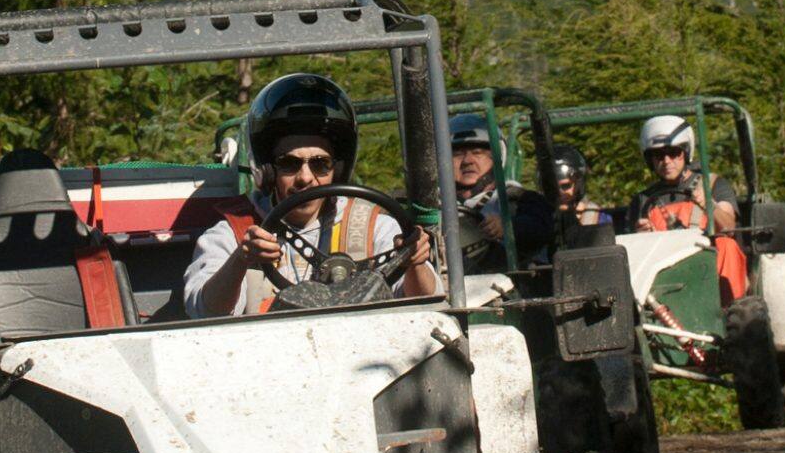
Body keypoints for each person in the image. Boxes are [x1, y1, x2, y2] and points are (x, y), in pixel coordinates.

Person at [184, 73, 438, 317]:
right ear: (268, 171)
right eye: (289, 163)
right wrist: (241, 259)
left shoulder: (376, 227)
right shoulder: (235, 233)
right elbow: (204, 311)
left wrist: (413, 261)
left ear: (337, 169)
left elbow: (426, 302)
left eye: (320, 164)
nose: (305, 178)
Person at [446, 112, 553, 273]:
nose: (467, 161)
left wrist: (508, 227)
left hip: (515, 293)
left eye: (477, 152)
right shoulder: (437, 209)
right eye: (458, 154)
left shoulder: (520, 199)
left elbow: (541, 227)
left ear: (496, 157)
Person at [621, 114, 740, 235]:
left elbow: (729, 229)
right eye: (658, 155)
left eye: (674, 152)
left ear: (686, 153)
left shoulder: (712, 184)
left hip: (709, 252)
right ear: (650, 160)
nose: (667, 161)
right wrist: (642, 235)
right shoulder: (642, 200)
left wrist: (710, 205)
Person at [547, 143, 610, 230]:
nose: (560, 192)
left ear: (579, 185)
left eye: (566, 186)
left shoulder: (600, 219)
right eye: (553, 187)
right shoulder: (537, 222)